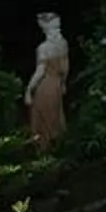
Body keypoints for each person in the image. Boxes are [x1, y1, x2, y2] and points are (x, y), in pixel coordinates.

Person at [25, 13, 69, 149]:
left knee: (41, 115)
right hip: (56, 83)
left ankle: (43, 148)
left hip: (45, 85)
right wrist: (62, 82)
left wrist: (28, 89)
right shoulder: (63, 43)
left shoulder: (43, 48)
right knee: (55, 113)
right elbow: (65, 66)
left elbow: (40, 72)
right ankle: (57, 145)